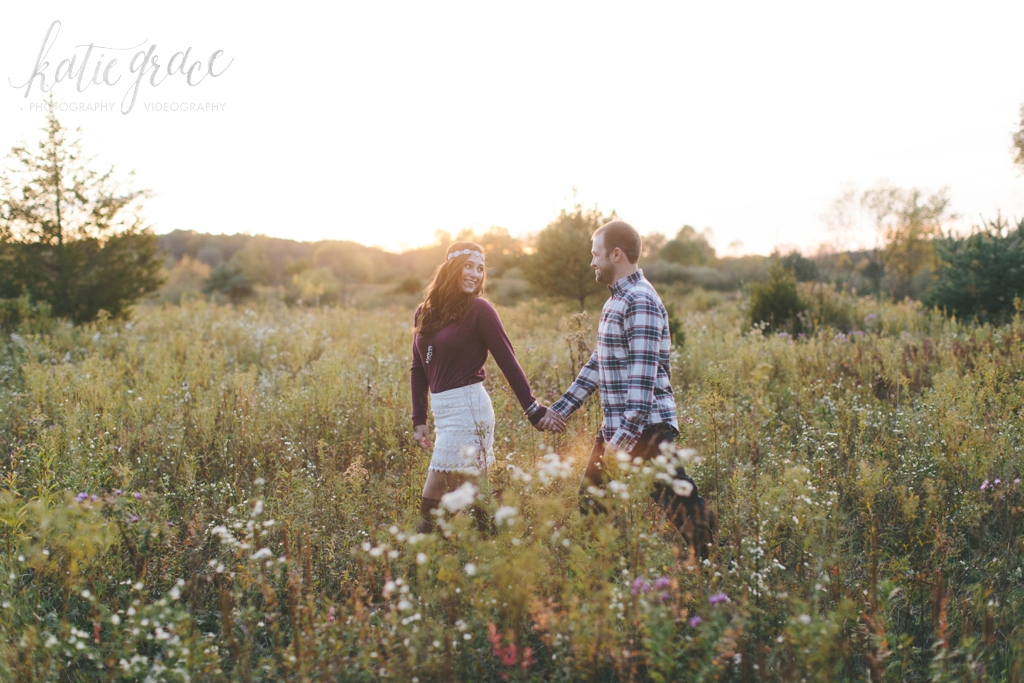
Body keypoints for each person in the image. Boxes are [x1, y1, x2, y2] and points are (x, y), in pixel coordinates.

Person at [539, 221, 715, 558]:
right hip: (619, 425)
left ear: (616, 255)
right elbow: (598, 363)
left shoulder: (640, 300)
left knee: (682, 508)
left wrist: (619, 443)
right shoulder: (615, 301)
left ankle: (716, 568)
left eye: (596, 254)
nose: (592, 262)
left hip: (644, 428)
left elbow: (642, 380)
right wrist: (560, 410)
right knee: (592, 503)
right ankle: (600, 574)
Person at [411, 241, 549, 533]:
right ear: (451, 268)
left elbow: (508, 361)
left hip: (470, 412)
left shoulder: (479, 309)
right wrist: (419, 419)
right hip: (444, 416)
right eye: (468, 266)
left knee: (434, 497)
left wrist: (533, 409)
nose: (475, 274)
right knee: (473, 496)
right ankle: (495, 544)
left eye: (480, 269)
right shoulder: (424, 312)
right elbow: (418, 368)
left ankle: (423, 556)